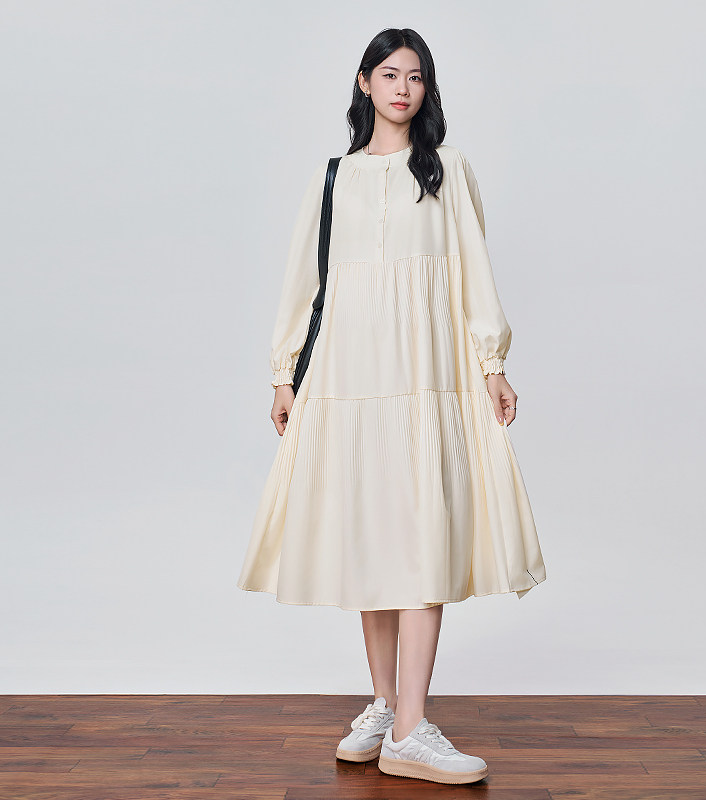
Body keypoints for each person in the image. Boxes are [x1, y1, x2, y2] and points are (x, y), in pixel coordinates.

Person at [237, 27, 547, 785]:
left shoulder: (446, 170)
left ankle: (411, 726)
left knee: (420, 538)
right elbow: (305, 283)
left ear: (426, 89)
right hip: (349, 381)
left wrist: (493, 364)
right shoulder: (333, 178)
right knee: (373, 539)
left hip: (424, 378)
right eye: (389, 74)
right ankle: (384, 707)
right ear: (364, 83)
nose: (403, 88)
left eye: (415, 76)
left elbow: (474, 272)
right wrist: (284, 375)